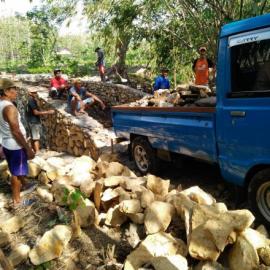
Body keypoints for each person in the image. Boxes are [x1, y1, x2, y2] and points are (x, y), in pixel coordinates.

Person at [0, 78, 35, 206]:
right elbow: (16, 131)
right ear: (6, 91)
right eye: (14, 89)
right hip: (16, 146)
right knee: (16, 173)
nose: (16, 92)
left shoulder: (1, 104)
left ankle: (25, 185)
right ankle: (17, 201)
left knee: (15, 169)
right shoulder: (10, 108)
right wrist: (28, 148)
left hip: (7, 143)